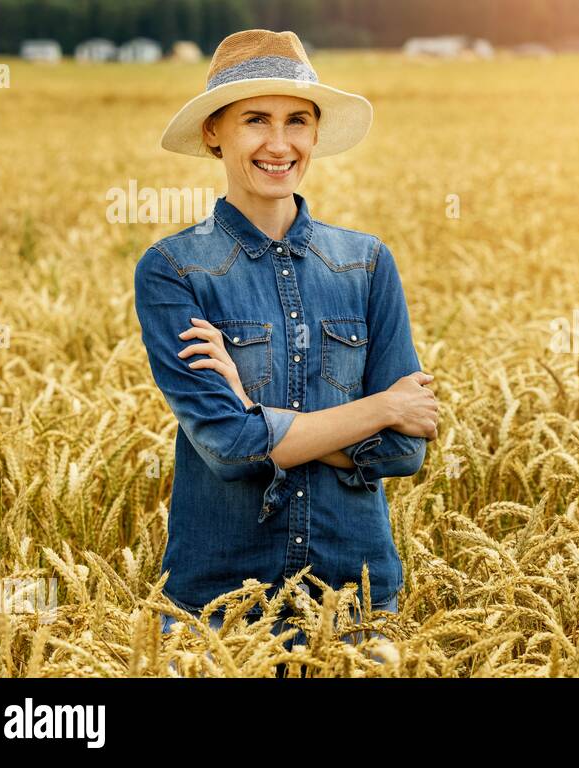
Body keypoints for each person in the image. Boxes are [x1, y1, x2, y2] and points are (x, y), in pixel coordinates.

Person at [135, 29, 439, 666]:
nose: (280, 143)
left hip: (353, 602)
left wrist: (255, 412)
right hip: (217, 608)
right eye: (255, 120)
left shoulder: (367, 264)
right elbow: (228, 447)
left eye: (297, 121)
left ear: (316, 133)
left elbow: (406, 450)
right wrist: (380, 407)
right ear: (215, 131)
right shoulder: (173, 270)